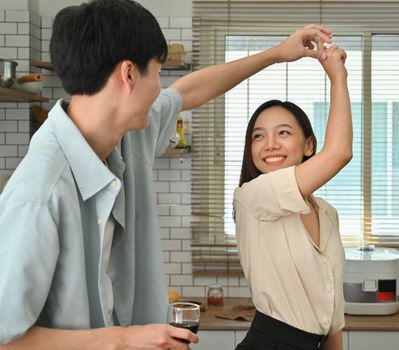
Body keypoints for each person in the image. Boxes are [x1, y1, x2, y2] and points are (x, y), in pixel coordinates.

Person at [0, 0, 333, 348]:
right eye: (158, 72)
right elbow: (7, 340)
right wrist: (123, 340)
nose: (160, 87)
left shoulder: (128, 132)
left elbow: (188, 92)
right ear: (129, 75)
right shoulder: (37, 196)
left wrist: (277, 53)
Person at [233, 44, 352, 350]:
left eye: (283, 133)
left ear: (308, 145)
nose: (269, 144)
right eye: (258, 136)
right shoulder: (253, 196)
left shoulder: (327, 213)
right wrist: (338, 77)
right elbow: (340, 152)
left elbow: (331, 316)